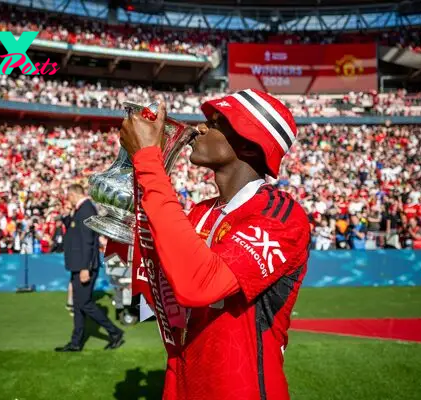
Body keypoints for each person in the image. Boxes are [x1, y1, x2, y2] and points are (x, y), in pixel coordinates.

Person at [120, 90, 310, 400]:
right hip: (182, 385)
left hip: (242, 389)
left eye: (217, 123)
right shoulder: (200, 211)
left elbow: (199, 284)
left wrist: (149, 161)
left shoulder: (281, 217)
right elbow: (157, 297)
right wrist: (142, 170)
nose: (200, 128)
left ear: (250, 143)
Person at [55, 184, 124, 352]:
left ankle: (115, 332)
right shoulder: (82, 209)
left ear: (73, 195)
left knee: (84, 304)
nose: (67, 200)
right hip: (79, 265)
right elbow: (73, 229)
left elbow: (88, 242)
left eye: (68, 196)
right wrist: (66, 214)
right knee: (79, 305)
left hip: (84, 266)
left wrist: (85, 267)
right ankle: (76, 342)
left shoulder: (86, 209)